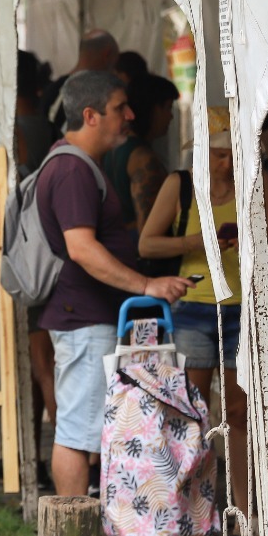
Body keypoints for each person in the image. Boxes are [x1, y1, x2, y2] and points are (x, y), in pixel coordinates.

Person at [38, 70, 193, 498]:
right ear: (90, 115)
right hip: (83, 320)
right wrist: (147, 284)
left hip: (86, 318)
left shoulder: (76, 163)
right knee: (76, 433)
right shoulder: (72, 169)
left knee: (87, 430)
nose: (129, 115)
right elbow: (82, 248)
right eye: (119, 108)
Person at [137, 131, 268, 519]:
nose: (226, 164)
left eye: (234, 155)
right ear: (201, 154)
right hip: (193, 308)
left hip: (241, 307)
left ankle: (244, 511)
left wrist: (247, 238)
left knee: (239, 411)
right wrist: (198, 243)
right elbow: (147, 244)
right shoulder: (180, 185)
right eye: (218, 155)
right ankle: (192, 508)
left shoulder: (256, 179)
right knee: (193, 413)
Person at [104, 71, 177, 229]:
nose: (171, 116)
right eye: (168, 108)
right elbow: (148, 226)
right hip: (134, 249)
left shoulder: (112, 146)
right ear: (154, 109)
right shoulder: (142, 158)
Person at [39, 29, 119, 132]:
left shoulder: (53, 89)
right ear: (107, 55)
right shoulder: (96, 96)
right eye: (115, 64)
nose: (114, 71)